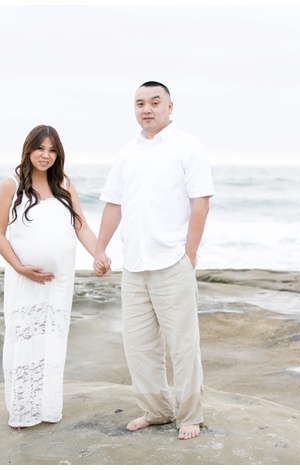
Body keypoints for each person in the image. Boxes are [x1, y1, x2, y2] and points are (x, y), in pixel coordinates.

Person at [93, 81, 214, 440]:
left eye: (154, 102)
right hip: (134, 265)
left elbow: (201, 202)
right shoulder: (127, 153)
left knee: (182, 343)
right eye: (140, 103)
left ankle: (190, 414)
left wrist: (189, 255)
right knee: (139, 345)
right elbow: (114, 204)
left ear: (170, 107)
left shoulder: (189, 147)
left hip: (172, 262)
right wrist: (100, 249)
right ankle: (158, 410)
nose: (147, 109)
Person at [0, 124, 101, 429]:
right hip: (25, 279)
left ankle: (47, 407)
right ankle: (22, 410)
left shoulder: (64, 184)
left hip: (59, 281)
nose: (46, 155)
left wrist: (99, 254)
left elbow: (81, 226)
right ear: (29, 149)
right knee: (25, 338)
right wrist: (19, 268)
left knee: (52, 340)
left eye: (52, 150)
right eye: (40, 148)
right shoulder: (10, 185)